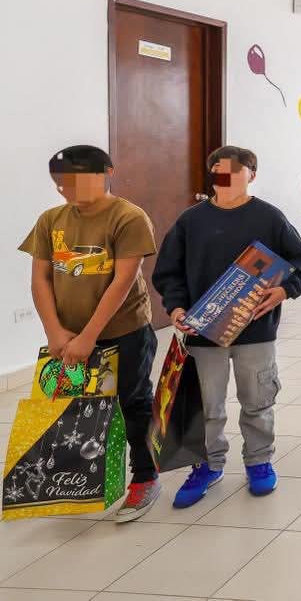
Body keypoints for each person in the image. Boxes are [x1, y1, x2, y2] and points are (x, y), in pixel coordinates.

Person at [152, 145, 301, 509]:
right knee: (206, 405)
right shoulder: (190, 221)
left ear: (251, 175)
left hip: (255, 331)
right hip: (202, 333)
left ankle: (259, 461)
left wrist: (284, 291)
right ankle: (208, 465)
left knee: (257, 400)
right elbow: (168, 272)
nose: (223, 179)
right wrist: (176, 307)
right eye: (217, 172)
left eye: (233, 172)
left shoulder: (269, 218)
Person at [19, 145, 162, 522]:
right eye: (60, 182)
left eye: (75, 180)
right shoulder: (51, 220)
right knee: (75, 408)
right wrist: (55, 332)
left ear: (107, 173)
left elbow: (122, 281)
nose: (66, 189)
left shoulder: (128, 217)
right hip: (66, 337)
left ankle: (145, 477)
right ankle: (79, 482)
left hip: (125, 331)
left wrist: (88, 337)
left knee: (132, 404)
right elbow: (40, 279)